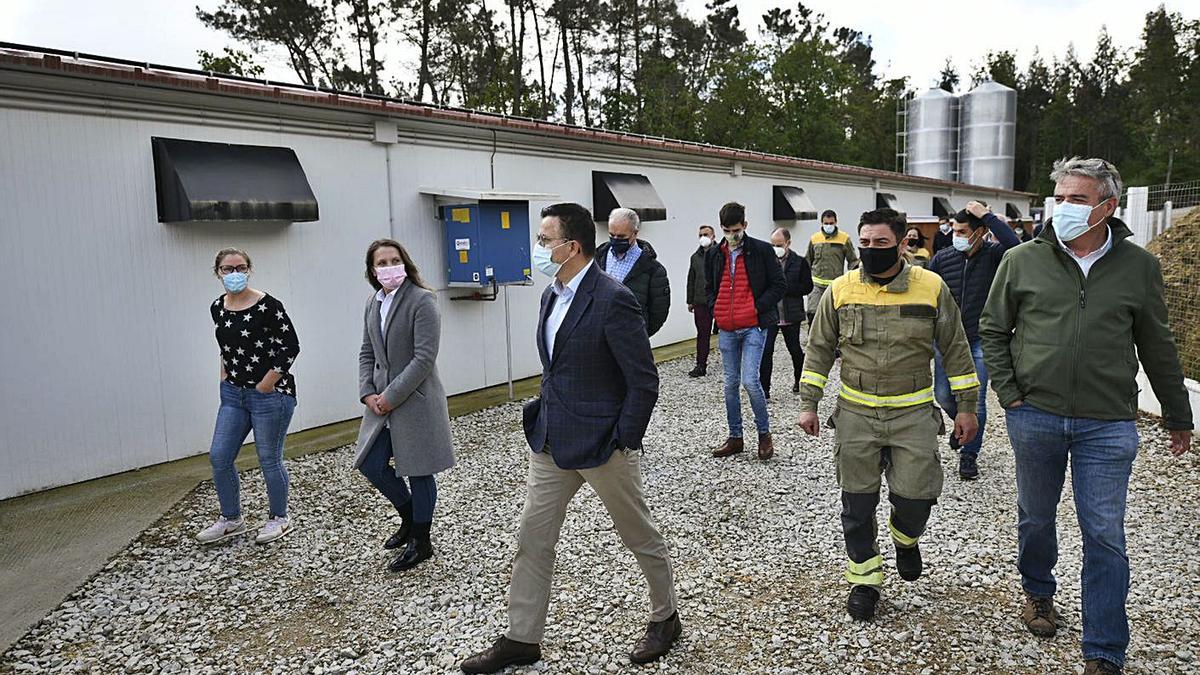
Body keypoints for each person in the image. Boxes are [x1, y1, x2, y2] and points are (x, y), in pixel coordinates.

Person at [980, 157, 1193, 675]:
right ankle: (1037, 592)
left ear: (1108, 207)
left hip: (1109, 423)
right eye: (1062, 198)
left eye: (1078, 199)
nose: (1065, 208)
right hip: (1035, 416)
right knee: (1036, 517)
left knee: (1104, 533)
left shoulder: (1139, 266)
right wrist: (1010, 394)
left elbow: (1157, 343)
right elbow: (992, 330)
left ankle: (1104, 649)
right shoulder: (1022, 260)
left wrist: (1177, 412)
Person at [461, 203, 680, 674]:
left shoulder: (613, 297)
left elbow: (643, 379)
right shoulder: (550, 295)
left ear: (572, 246)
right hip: (552, 440)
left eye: (545, 240)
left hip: (604, 445)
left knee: (638, 534)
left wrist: (626, 438)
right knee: (532, 539)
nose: (539, 248)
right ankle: (522, 638)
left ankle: (666, 617)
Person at [797, 208, 980, 622]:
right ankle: (865, 581)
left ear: (901, 244)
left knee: (917, 497)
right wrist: (809, 401)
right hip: (856, 414)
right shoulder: (841, 289)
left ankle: (906, 537)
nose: (871, 250)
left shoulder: (930, 286)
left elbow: (956, 348)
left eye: (881, 243)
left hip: (913, 414)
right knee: (856, 505)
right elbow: (820, 348)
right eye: (865, 243)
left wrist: (966, 409)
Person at [353, 239, 456, 572]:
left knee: (419, 469)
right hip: (380, 401)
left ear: (406, 263)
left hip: (415, 401)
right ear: (372, 270)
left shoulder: (422, 300)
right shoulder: (374, 302)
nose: (388, 267)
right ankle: (412, 519)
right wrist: (367, 392)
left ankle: (421, 541)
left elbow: (424, 358)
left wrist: (390, 397)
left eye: (394, 260)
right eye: (381, 262)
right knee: (371, 463)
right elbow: (367, 352)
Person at [196, 248, 300, 546]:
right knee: (219, 456)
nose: (234, 274)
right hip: (233, 395)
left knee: (269, 458)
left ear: (250, 270)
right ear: (217, 272)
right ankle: (231, 518)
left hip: (270, 395)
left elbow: (290, 346)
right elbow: (225, 347)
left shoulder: (268, 305)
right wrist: (223, 376)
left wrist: (266, 384)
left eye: (240, 267)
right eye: (227, 269)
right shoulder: (218, 307)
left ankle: (279, 518)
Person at [927, 201, 1022, 480]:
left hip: (981, 340)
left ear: (980, 232)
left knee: (976, 400)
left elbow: (1016, 247)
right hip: (947, 339)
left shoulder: (995, 256)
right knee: (943, 394)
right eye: (954, 230)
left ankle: (969, 455)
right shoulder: (943, 259)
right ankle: (963, 425)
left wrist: (988, 216)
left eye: (963, 231)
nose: (956, 235)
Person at [706, 202, 786, 461]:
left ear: (745, 225)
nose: (733, 235)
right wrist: (715, 309)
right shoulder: (715, 254)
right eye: (728, 230)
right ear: (721, 228)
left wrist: (756, 308)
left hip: (753, 325)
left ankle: (764, 434)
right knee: (729, 384)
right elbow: (708, 286)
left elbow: (778, 285)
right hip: (727, 328)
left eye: (737, 229)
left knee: (750, 381)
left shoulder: (761, 250)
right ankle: (735, 437)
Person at [594, 207, 670, 337]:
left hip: (631, 340)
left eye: (622, 236)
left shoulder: (653, 269)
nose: (616, 239)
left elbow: (659, 312)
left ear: (635, 233)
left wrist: (639, 333)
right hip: (597, 336)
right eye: (612, 235)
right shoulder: (597, 258)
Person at [759, 228, 813, 398]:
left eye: (779, 245)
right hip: (771, 315)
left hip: (791, 314)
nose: (776, 248)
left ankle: (799, 380)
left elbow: (807, 286)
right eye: (773, 245)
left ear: (788, 243)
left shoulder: (800, 262)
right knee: (766, 351)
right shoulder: (767, 261)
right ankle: (764, 388)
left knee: (795, 350)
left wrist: (785, 288)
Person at [805, 209, 858, 326]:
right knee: (813, 312)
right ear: (821, 223)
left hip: (835, 285)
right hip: (816, 285)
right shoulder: (815, 239)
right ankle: (812, 339)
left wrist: (855, 279)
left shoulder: (844, 239)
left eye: (831, 223)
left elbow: (852, 261)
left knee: (834, 315)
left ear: (836, 222)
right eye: (826, 223)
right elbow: (808, 260)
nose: (829, 225)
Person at [687, 224, 717, 377]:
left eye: (706, 234)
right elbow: (691, 278)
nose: (703, 237)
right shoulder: (695, 257)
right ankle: (701, 365)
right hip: (701, 301)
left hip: (720, 300)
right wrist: (690, 300)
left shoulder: (721, 254)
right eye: (700, 235)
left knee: (729, 334)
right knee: (703, 334)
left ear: (713, 236)